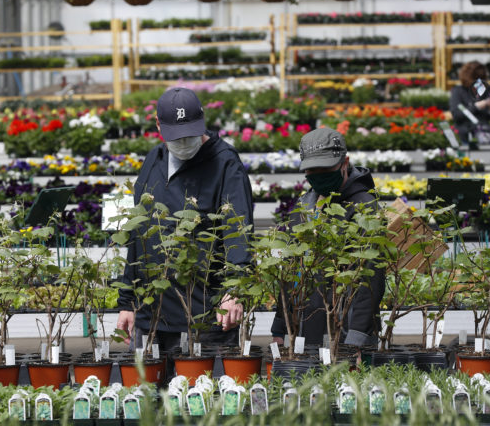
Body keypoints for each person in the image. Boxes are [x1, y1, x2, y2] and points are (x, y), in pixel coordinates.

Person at [116, 87, 254, 356]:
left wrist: (235, 289)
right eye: (177, 137)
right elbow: (138, 234)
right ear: (158, 126)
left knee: (206, 394)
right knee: (149, 395)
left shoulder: (225, 164)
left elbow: (238, 231)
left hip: (206, 314)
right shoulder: (153, 161)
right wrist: (127, 302)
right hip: (151, 314)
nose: (184, 142)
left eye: (190, 135)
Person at [270, 127, 385, 347]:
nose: (320, 176)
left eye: (326, 168)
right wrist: (281, 326)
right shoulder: (304, 206)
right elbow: (290, 270)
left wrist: (357, 339)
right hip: (306, 329)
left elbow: (371, 279)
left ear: (345, 162)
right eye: (313, 171)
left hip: (347, 332)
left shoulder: (364, 208)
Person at [450, 61, 490, 145]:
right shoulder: (458, 91)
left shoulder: (484, 92)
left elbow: (488, 117)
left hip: (484, 136)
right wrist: (477, 106)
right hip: (464, 136)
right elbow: (457, 114)